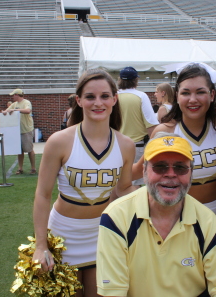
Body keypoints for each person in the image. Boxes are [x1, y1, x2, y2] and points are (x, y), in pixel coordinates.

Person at [97, 132, 216, 297]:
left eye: (180, 167)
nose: (171, 174)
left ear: (191, 173)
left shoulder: (207, 221)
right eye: (160, 166)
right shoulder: (116, 217)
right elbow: (113, 292)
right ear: (144, 171)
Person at [33, 69, 136, 297]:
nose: (98, 103)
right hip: (62, 235)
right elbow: (42, 194)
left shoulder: (126, 145)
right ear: (78, 100)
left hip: (103, 235)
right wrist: (41, 245)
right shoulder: (59, 142)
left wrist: (151, 188)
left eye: (105, 96)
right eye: (90, 96)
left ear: (114, 99)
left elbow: (123, 189)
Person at [132, 63, 216, 249]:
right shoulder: (165, 131)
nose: (193, 99)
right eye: (186, 93)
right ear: (177, 96)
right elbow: (138, 171)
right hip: (178, 220)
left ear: (212, 95)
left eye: (200, 92)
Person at [117, 66, 159, 184]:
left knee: (118, 184)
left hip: (115, 146)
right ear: (136, 80)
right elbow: (151, 126)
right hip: (136, 147)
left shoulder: (112, 97)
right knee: (133, 184)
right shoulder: (141, 96)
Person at [2, 89, 36, 175]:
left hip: (26, 130)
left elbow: (28, 111)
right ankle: (20, 168)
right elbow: (6, 111)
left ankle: (33, 168)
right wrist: (4, 112)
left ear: (18, 95)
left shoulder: (26, 102)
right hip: (17, 131)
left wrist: (14, 110)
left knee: (29, 149)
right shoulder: (14, 104)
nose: (13, 97)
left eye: (14, 95)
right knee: (19, 150)